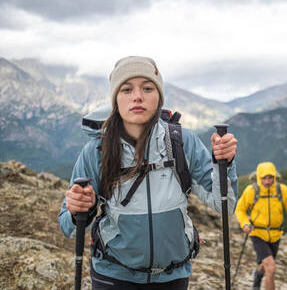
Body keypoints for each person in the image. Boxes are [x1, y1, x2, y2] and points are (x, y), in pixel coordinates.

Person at [58, 56, 238, 289]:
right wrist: (77, 210)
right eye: (126, 89)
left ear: (159, 96)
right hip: (113, 275)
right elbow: (68, 227)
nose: (137, 96)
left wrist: (223, 163)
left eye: (147, 88)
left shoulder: (182, 143)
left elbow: (225, 204)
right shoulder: (96, 151)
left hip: (172, 276)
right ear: (115, 99)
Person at [235, 162, 287, 290]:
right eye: (264, 178)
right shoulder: (252, 191)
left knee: (265, 265)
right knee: (271, 269)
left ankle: (258, 274)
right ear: (258, 177)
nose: (267, 181)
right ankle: (260, 276)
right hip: (257, 233)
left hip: (275, 235)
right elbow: (240, 209)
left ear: (275, 177)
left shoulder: (282, 191)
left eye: (270, 177)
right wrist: (245, 223)